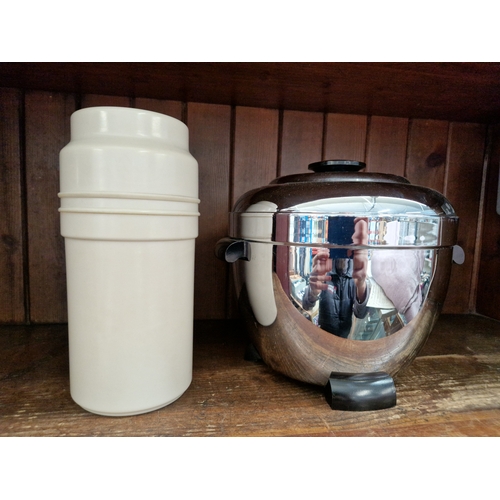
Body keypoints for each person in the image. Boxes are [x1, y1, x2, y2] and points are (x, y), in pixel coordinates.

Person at [302, 218, 370, 338]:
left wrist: (361, 283)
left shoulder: (357, 269)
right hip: (322, 334)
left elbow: (361, 314)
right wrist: (313, 291)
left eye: (347, 243)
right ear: (330, 242)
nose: (342, 247)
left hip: (345, 336)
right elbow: (306, 306)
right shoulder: (323, 266)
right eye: (338, 242)